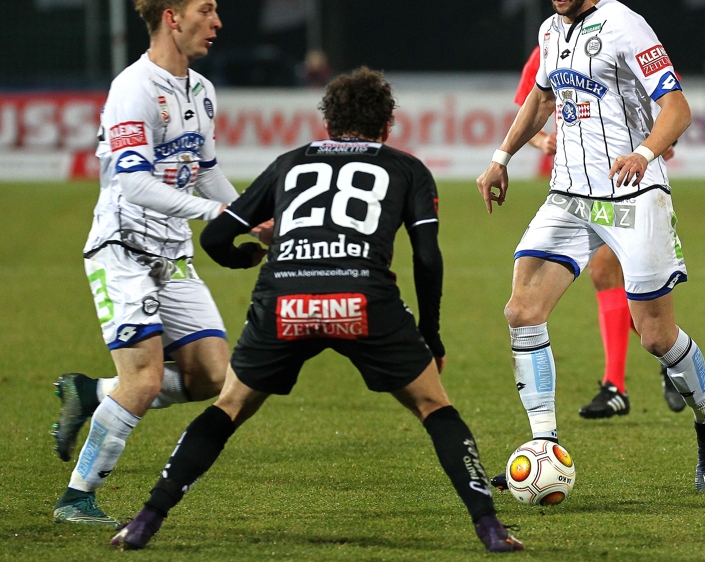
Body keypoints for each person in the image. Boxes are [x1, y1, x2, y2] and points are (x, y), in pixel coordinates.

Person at [110, 68, 524, 554]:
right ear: (387, 126)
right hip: (362, 299)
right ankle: (490, 529)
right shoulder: (408, 168)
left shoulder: (289, 163)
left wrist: (245, 257)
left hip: (286, 300)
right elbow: (427, 257)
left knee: (228, 407)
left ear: (327, 124)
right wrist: (430, 335)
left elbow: (217, 236)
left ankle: (144, 521)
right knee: (435, 407)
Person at [477, 0, 705, 493]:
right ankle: (543, 446)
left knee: (655, 335)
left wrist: (644, 151)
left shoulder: (626, 27)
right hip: (569, 195)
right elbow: (542, 95)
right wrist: (501, 156)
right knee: (522, 310)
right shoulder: (549, 30)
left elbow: (678, 108)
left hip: (633, 197)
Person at [51, 0, 243, 526]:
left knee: (213, 375)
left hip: (174, 254)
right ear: (171, 17)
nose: (217, 21)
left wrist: (248, 216)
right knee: (146, 378)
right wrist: (214, 213)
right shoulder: (133, 88)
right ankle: (76, 497)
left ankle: (92, 393)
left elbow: (206, 170)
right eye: (205, 10)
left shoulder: (201, 91)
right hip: (123, 249)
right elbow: (133, 182)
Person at [517, 0, 686, 420]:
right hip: (572, 187)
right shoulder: (548, 42)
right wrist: (532, 145)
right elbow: (531, 108)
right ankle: (620, 382)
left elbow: (668, 106)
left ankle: (657, 362)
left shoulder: (625, 32)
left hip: (625, 182)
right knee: (592, 282)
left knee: (628, 294)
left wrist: (649, 147)